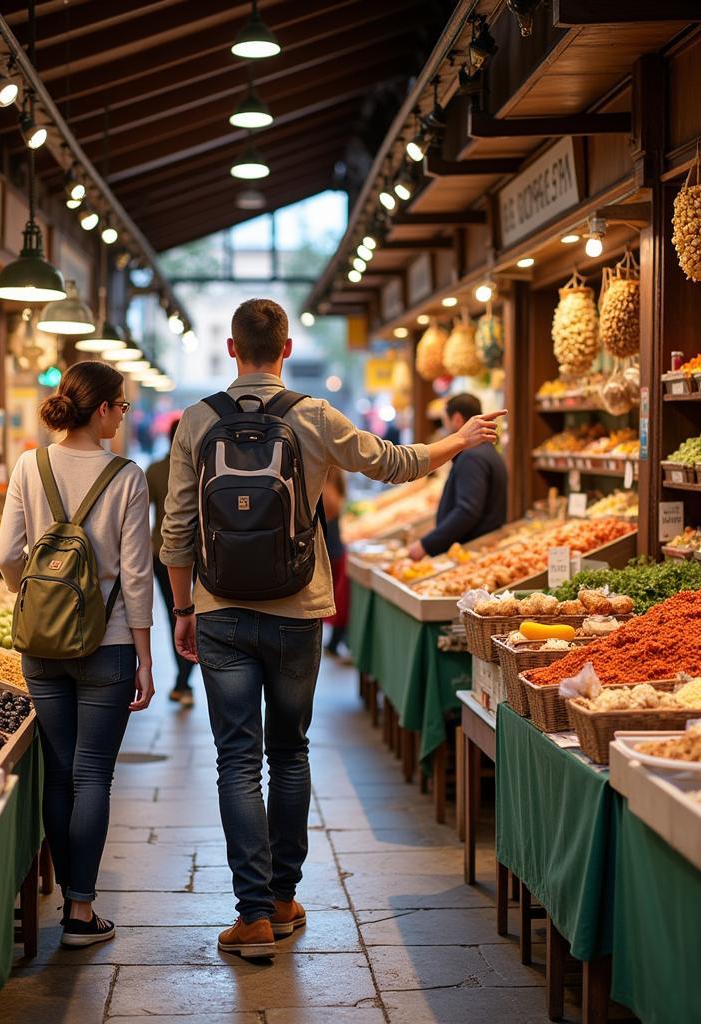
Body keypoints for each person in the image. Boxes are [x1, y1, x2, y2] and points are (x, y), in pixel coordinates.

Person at [159, 298, 504, 960]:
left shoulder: (198, 419)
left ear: (230, 349)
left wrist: (182, 610)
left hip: (223, 610)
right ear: (285, 349)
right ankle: (284, 898)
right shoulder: (312, 416)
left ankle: (252, 915)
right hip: (298, 609)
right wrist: (458, 440)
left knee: (237, 757)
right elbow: (393, 464)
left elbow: (176, 529)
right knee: (289, 751)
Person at [0, 360, 154, 949]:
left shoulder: (28, 466)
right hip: (106, 645)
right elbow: (137, 577)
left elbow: (6, 550)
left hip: (40, 646)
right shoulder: (126, 477)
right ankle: (80, 912)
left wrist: (32, 597)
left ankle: (69, 902)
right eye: (123, 406)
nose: (124, 416)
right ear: (106, 408)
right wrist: (145, 654)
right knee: (93, 776)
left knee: (59, 774)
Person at [406, 392, 508, 561]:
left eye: (445, 422)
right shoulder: (487, 451)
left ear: (457, 420)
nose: (445, 430)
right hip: (480, 549)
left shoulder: (472, 456)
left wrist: (426, 545)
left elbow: (467, 511)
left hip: (472, 552)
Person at [146, 417, 196, 707]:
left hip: (163, 555)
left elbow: (141, 517)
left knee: (176, 615)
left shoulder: (155, 469)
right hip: (201, 556)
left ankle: (183, 680)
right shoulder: (202, 467)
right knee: (196, 615)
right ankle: (184, 679)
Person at [322, 466, 348, 658]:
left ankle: (334, 642)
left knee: (337, 600)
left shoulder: (329, 476)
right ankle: (333, 642)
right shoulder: (331, 475)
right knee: (336, 600)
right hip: (332, 549)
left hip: (332, 549)